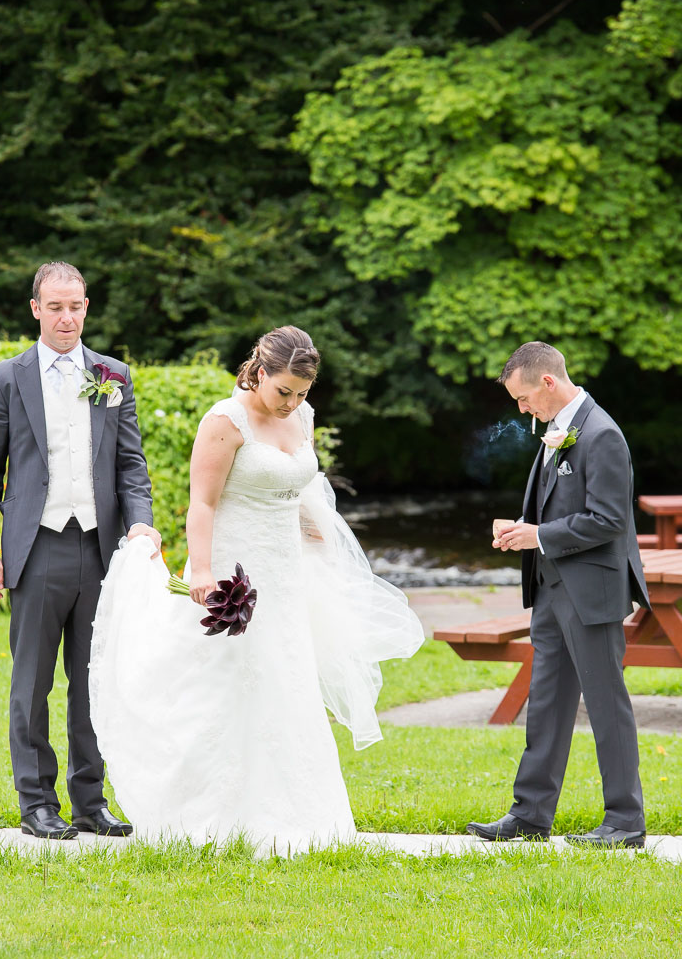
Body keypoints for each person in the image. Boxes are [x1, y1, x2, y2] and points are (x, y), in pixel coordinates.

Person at [88, 326, 424, 854]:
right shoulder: (226, 421)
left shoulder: (303, 417)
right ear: (260, 372)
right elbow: (202, 504)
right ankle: (213, 813)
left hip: (288, 572)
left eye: (303, 393)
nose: (291, 403)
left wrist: (317, 536)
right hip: (236, 568)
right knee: (234, 682)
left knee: (287, 679)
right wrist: (201, 571)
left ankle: (303, 816)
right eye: (283, 391)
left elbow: (301, 488)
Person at [0, 261, 160, 840]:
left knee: (94, 679)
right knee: (31, 683)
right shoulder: (7, 378)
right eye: (56, 307)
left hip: (101, 551)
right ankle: (36, 805)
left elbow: (131, 465)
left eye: (76, 306)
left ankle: (90, 802)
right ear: (35, 309)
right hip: (36, 548)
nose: (67, 318)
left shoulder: (112, 375)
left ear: (86, 306)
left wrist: (142, 525)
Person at [468, 342, 649, 848]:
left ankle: (625, 823)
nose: (522, 409)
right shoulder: (559, 429)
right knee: (546, 700)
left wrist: (540, 536)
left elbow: (610, 520)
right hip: (552, 588)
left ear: (548, 383)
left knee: (605, 703)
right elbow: (562, 506)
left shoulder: (602, 434)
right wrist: (525, 528)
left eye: (524, 399)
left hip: (591, 590)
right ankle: (529, 816)